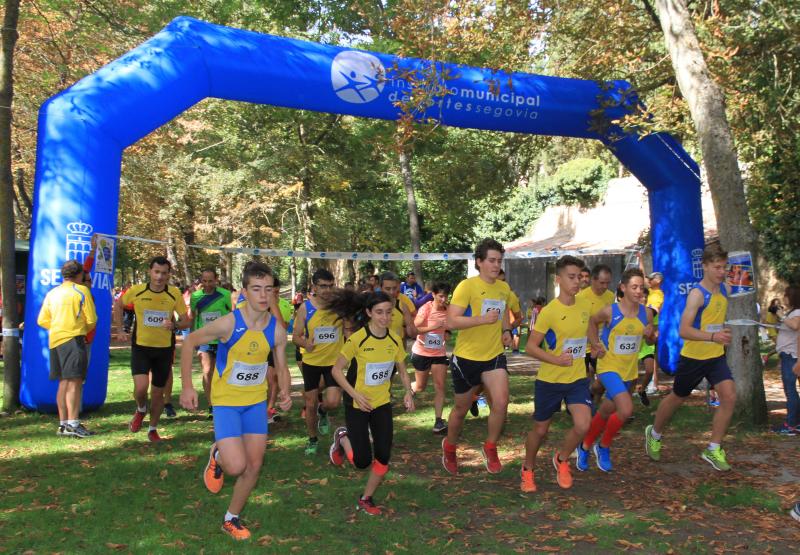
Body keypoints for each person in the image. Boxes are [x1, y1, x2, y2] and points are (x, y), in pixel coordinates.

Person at [179, 261, 292, 540]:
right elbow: (190, 341)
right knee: (236, 466)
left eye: (268, 289)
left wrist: (286, 392)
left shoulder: (276, 329)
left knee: (253, 466)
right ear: (244, 291)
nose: (263, 295)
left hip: (255, 403)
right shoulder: (230, 322)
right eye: (256, 289)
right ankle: (218, 455)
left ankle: (231, 518)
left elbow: (282, 365)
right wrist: (187, 387)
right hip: (227, 402)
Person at [645, 244, 736, 471]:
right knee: (677, 397)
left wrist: (720, 335)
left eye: (724, 267)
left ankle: (713, 448)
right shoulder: (697, 295)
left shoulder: (725, 288)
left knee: (729, 397)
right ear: (704, 266)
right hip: (694, 358)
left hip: (716, 357)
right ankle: (654, 433)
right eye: (716, 267)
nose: (721, 272)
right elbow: (684, 330)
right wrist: (714, 335)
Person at [326, 290, 415, 516]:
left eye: (388, 312)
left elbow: (403, 370)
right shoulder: (358, 339)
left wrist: (407, 392)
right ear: (368, 313)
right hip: (357, 404)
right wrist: (354, 394)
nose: (384, 318)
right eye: (379, 313)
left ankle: (366, 498)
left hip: (382, 404)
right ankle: (343, 438)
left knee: (384, 455)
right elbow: (336, 371)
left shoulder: (395, 339)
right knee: (362, 461)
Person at [441, 238, 513, 475]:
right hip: (466, 359)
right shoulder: (467, 286)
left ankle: (490, 447)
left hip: (493, 356)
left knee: (501, 403)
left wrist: (505, 330)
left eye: (499, 261)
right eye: (491, 260)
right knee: (461, 409)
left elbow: (503, 313)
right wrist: (482, 319)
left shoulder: (503, 288)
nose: (496, 265)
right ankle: (450, 447)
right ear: (479, 262)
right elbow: (451, 321)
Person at [521, 255, 592, 492]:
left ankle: (561, 460)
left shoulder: (584, 305)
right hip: (550, 380)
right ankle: (528, 469)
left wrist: (596, 343)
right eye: (571, 277)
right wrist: (556, 360)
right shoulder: (549, 312)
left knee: (583, 425)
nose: (576, 282)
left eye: (579, 277)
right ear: (558, 279)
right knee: (540, 430)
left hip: (577, 379)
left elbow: (588, 325)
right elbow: (531, 347)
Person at [578, 268, 654, 472]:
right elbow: (591, 323)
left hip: (629, 370)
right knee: (626, 410)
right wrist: (595, 344)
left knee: (605, 411)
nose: (639, 291)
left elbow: (650, 338)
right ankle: (603, 447)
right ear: (623, 288)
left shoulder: (646, 313)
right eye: (634, 287)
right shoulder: (610, 311)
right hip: (608, 367)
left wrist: (651, 334)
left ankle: (585, 445)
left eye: (641, 287)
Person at [115, 256, 190, 442]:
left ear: (168, 274)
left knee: (158, 393)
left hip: (164, 350)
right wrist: (120, 329)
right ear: (150, 271)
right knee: (141, 388)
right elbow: (119, 304)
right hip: (141, 347)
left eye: (164, 273)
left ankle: (153, 428)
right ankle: (141, 409)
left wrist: (174, 326)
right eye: (156, 272)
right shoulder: (137, 291)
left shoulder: (174, 294)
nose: (159, 277)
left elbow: (186, 319)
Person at [37, 259, 98, 438]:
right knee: (75, 382)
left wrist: (58, 327)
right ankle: (73, 423)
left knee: (64, 382)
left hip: (55, 340)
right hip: (73, 339)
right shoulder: (82, 291)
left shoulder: (52, 293)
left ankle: (63, 425)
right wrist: (80, 330)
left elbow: (41, 320)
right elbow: (92, 319)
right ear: (79, 275)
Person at [292, 269, 344, 455]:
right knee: (310, 403)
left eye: (330, 286)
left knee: (333, 402)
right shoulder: (306, 308)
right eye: (323, 286)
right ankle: (312, 439)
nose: (327, 290)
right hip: (312, 362)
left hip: (333, 363)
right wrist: (306, 343)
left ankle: (324, 411)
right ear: (314, 287)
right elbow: (296, 337)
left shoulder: (339, 306)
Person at [189, 268, 232, 418]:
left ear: (216, 280)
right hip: (204, 339)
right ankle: (211, 405)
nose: (207, 284)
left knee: (222, 372)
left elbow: (233, 315)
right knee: (207, 371)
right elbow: (193, 318)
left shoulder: (225, 295)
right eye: (204, 281)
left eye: (210, 281)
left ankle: (224, 401)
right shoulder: (195, 297)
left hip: (222, 340)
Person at [411, 282, 451, 433]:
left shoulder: (448, 309)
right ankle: (411, 390)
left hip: (439, 354)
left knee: (440, 386)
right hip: (422, 352)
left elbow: (451, 325)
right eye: (440, 296)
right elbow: (415, 329)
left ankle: (438, 422)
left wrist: (447, 332)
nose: (443, 299)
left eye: (445, 296)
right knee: (421, 386)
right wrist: (433, 327)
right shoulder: (426, 308)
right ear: (433, 294)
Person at [577, 264, 615, 406]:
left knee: (603, 379)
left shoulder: (611, 296)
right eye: (602, 282)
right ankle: (585, 405)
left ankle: (594, 401)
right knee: (584, 378)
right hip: (583, 346)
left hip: (602, 345)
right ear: (593, 280)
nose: (605, 286)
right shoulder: (581, 297)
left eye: (608, 283)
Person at [266, 276, 293, 423]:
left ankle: (269, 409)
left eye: (275, 291)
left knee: (273, 377)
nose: (273, 295)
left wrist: (286, 392)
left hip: (273, 345)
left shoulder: (283, 305)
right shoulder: (245, 307)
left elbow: (283, 328)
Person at [774, 285, 800, 434]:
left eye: (786, 295)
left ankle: (791, 425)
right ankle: (795, 422)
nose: (784, 297)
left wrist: (782, 315)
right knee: (792, 391)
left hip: (792, 356)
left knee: (790, 391)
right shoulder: (793, 312)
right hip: (788, 354)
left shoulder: (797, 312)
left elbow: (795, 326)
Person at [379, 271, 416, 341]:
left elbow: (412, 332)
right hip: (377, 348)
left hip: (398, 347)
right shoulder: (371, 304)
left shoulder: (403, 305)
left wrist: (409, 326)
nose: (391, 292)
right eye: (387, 289)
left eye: (394, 288)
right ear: (381, 288)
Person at [763, 298, 782, 364]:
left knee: (779, 346)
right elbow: (767, 323)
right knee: (780, 346)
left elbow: (778, 321)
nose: (778, 304)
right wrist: (765, 334)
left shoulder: (777, 313)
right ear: (773, 304)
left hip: (777, 331)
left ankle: (766, 356)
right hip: (772, 332)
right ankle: (779, 362)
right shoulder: (769, 313)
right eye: (776, 303)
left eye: (779, 303)